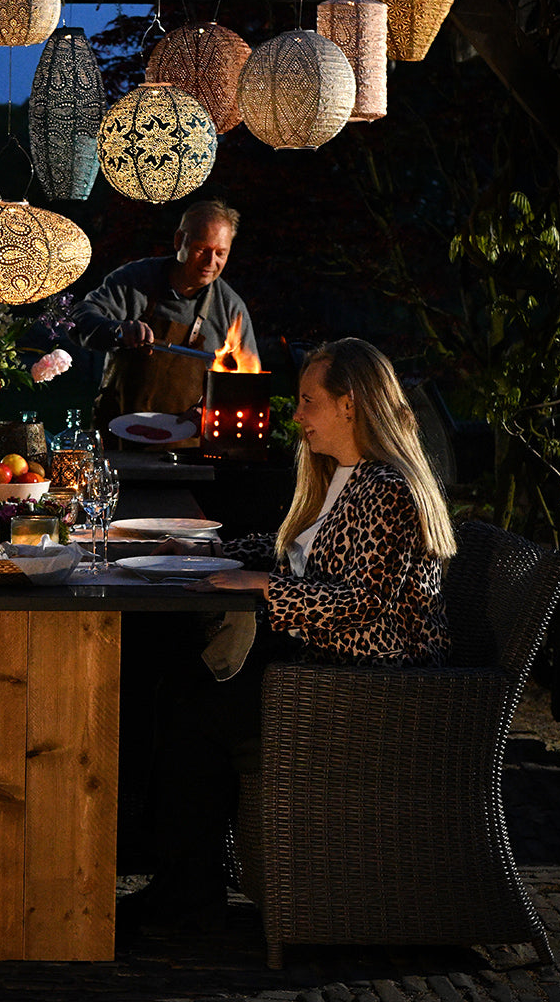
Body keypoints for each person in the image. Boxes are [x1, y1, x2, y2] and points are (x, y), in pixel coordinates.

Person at [119, 338, 456, 938]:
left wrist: (264, 588)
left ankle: (186, 894)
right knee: (177, 682)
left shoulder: (387, 489)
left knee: (193, 707)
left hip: (367, 686)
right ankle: (179, 880)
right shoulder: (342, 475)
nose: (295, 415)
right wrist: (206, 553)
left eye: (308, 401)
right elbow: (291, 558)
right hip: (321, 663)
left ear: (350, 404)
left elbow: (363, 604)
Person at [70, 198, 259, 447]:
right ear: (179, 240)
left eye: (220, 253)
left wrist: (213, 412)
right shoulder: (135, 281)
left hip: (187, 454)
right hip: (116, 444)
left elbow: (249, 388)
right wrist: (117, 331)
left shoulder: (231, 309)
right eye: (202, 249)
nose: (210, 262)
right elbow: (79, 319)